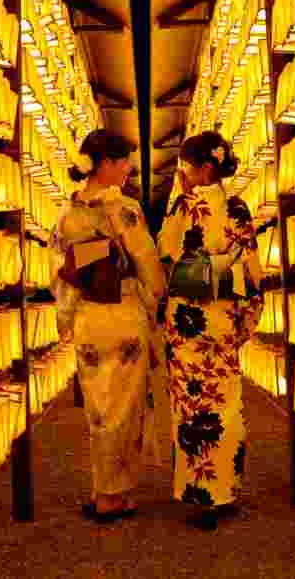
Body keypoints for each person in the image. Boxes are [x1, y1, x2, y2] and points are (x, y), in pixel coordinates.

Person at [50, 129, 166, 523]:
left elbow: (60, 269)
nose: (129, 168)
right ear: (106, 165)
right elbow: (147, 261)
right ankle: (115, 495)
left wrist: (66, 317)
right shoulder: (124, 209)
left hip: (88, 318)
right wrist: (157, 297)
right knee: (125, 406)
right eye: (124, 161)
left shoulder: (67, 212)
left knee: (100, 409)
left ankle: (105, 492)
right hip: (122, 312)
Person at [158, 131, 264, 530]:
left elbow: (165, 248)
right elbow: (250, 267)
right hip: (219, 319)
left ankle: (203, 493)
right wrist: (246, 317)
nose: (183, 172)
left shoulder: (182, 207)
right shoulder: (236, 208)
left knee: (192, 410)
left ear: (206, 166)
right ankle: (222, 491)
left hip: (186, 319)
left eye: (188, 164)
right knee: (222, 406)